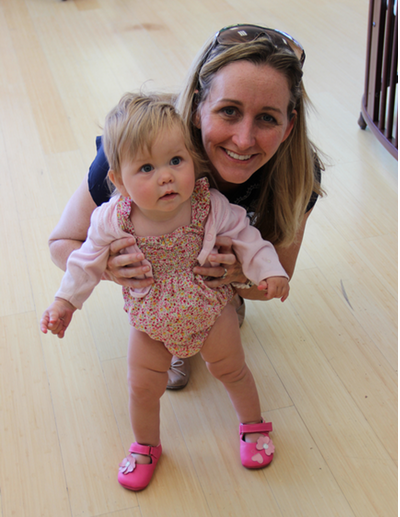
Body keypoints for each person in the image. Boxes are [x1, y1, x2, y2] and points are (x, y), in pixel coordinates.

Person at [48, 24, 324, 388]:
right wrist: (112, 270)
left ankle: (213, 303)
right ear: (197, 108)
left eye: (267, 118)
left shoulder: (299, 175)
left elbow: (275, 282)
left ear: (288, 128)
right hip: (155, 295)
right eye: (228, 111)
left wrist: (238, 274)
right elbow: (61, 243)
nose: (243, 139)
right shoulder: (137, 151)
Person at [40, 93, 290, 491]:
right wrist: (64, 302)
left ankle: (254, 426)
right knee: (141, 387)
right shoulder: (112, 218)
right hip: (150, 319)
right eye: (146, 168)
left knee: (232, 370)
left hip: (210, 309)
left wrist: (270, 271)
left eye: (176, 161)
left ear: (192, 159)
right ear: (119, 180)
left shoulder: (209, 205)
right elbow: (83, 261)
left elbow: (248, 238)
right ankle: (145, 446)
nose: (166, 176)